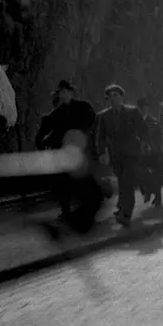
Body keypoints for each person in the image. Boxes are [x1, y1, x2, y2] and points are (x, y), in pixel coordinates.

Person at [36, 80, 96, 222]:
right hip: (64, 151)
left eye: (64, 92)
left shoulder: (83, 107)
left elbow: (92, 123)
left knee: (83, 179)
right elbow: (45, 130)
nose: (62, 95)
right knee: (62, 182)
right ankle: (65, 210)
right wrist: (41, 142)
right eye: (60, 93)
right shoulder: (56, 113)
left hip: (81, 149)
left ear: (71, 92)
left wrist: (84, 137)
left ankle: (88, 207)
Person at [96, 84, 149, 228]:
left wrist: (144, 142)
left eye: (116, 95)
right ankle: (125, 207)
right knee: (122, 182)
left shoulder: (132, 111)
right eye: (110, 96)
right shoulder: (104, 116)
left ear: (122, 97)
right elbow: (100, 137)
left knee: (127, 183)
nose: (113, 98)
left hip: (132, 153)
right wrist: (102, 152)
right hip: (116, 155)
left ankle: (126, 215)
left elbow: (143, 129)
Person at [137, 96, 163, 209]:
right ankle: (147, 191)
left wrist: (152, 146)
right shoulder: (134, 122)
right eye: (141, 108)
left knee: (157, 174)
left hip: (153, 153)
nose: (144, 110)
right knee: (141, 174)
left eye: (145, 107)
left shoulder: (153, 121)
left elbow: (159, 137)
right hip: (140, 153)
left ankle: (158, 197)